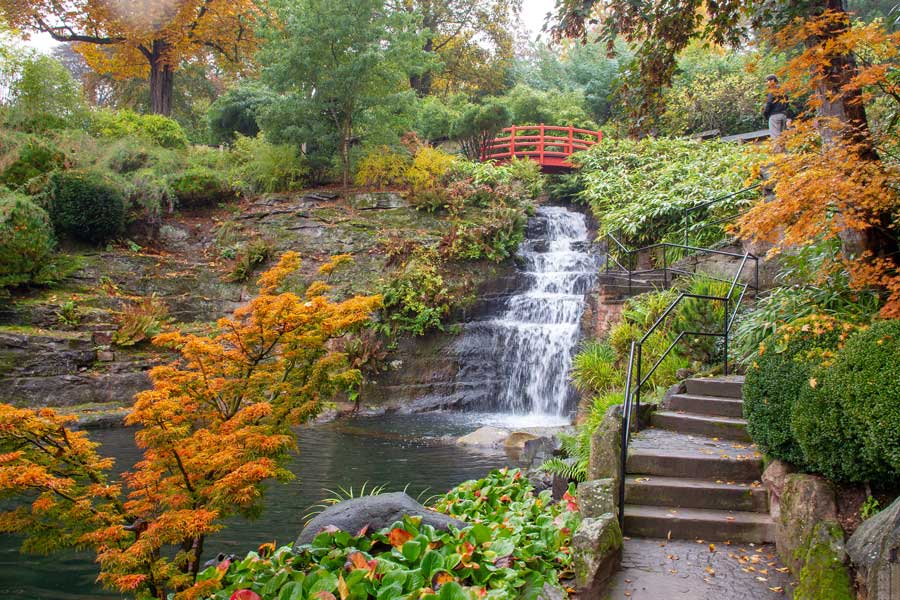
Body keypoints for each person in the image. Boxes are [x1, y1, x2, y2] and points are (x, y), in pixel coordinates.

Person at [762, 74, 792, 139]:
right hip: (783, 115)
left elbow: (769, 103)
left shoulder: (772, 90)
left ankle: (777, 149)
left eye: (767, 81)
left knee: (775, 138)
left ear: (772, 80)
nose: (766, 83)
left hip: (774, 116)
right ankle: (783, 149)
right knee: (783, 137)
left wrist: (765, 113)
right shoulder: (783, 90)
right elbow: (787, 102)